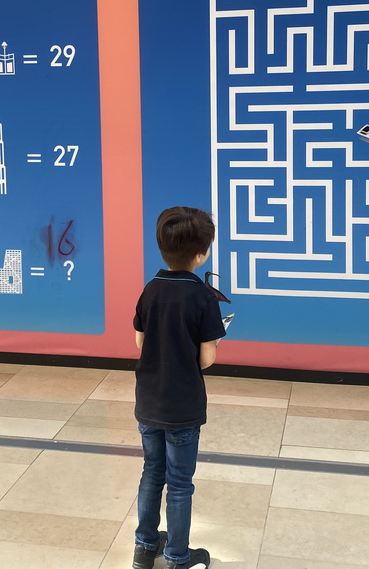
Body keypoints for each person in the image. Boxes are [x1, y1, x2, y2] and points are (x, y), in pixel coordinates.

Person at [132, 206, 227, 569]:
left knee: (151, 473)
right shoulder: (203, 297)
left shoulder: (150, 289)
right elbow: (206, 360)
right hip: (183, 406)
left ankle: (144, 547)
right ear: (201, 254)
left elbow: (140, 342)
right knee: (180, 482)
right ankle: (177, 557)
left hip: (149, 401)